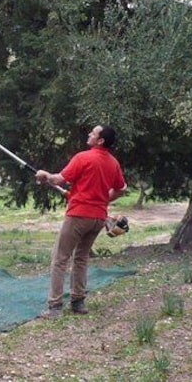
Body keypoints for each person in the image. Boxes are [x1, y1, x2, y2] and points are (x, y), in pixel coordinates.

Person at [35, 124, 127, 318]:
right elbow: (121, 189)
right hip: (98, 218)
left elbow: (58, 180)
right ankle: (78, 302)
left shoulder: (83, 158)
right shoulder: (113, 163)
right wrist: (102, 200)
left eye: (93, 133)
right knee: (81, 257)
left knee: (60, 258)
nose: (89, 134)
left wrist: (44, 176)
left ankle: (55, 307)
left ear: (100, 140)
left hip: (78, 215)